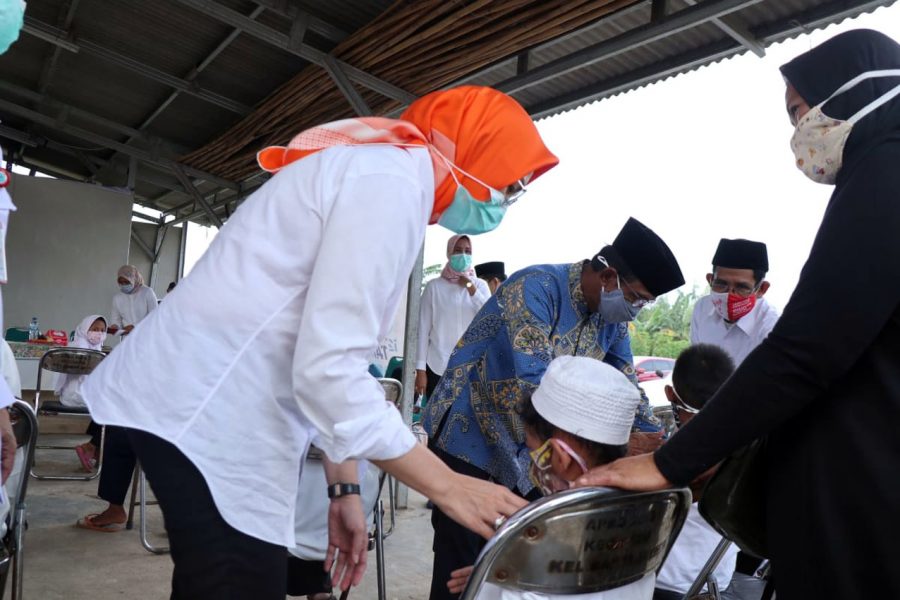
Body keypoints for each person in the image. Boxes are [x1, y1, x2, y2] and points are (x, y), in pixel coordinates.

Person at [82, 85, 559, 599]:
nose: (503, 203)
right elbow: (327, 371)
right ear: (477, 152)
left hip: (213, 406)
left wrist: (344, 487)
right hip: (204, 407)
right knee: (239, 581)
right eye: (509, 186)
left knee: (225, 581)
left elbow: (336, 360)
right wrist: (449, 486)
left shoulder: (387, 174)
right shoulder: (392, 181)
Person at [575, 29, 900, 599]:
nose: (799, 133)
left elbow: (805, 352)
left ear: (856, 93)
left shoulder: (887, 170)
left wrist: (672, 462)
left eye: (802, 112)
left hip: (859, 490)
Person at [424, 217, 684, 600]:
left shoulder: (609, 321)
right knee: (463, 571)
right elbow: (536, 383)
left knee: (517, 569)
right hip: (471, 437)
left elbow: (628, 385)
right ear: (610, 276)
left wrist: (658, 444)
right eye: (637, 298)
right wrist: (619, 445)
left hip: (536, 454)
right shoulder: (537, 287)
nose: (637, 309)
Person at [446, 356, 654, 600]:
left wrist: (500, 582)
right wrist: (501, 574)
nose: (531, 463)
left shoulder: (532, 541)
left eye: (531, 449)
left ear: (558, 456)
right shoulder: (646, 523)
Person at [653, 344, 737, 600]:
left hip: (663, 584)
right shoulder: (742, 449)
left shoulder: (672, 461)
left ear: (670, 394)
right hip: (718, 582)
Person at [415, 234, 491, 399]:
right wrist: (420, 370)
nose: (463, 255)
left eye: (467, 251)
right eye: (458, 250)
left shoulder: (480, 286)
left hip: (472, 367)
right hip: (437, 366)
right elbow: (422, 330)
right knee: (438, 422)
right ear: (449, 253)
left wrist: (470, 287)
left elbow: (489, 318)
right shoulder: (434, 287)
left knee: (466, 421)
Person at [690, 239, 779, 366]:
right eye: (721, 284)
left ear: (761, 289)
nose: (729, 295)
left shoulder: (771, 327)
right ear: (710, 280)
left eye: (742, 287)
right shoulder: (702, 309)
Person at [52, 315, 107, 471]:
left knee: (112, 405)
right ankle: (92, 447)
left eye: (102, 330)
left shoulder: (92, 347)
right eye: (95, 329)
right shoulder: (80, 346)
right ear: (85, 328)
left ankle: (94, 447)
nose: (99, 333)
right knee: (114, 407)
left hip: (74, 395)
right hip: (76, 394)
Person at [108, 265, 157, 336]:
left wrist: (134, 326)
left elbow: (154, 316)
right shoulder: (117, 298)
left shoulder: (147, 292)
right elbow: (115, 319)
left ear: (134, 279)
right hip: (129, 339)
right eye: (121, 282)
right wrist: (115, 327)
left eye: (126, 282)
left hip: (148, 336)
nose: (123, 285)